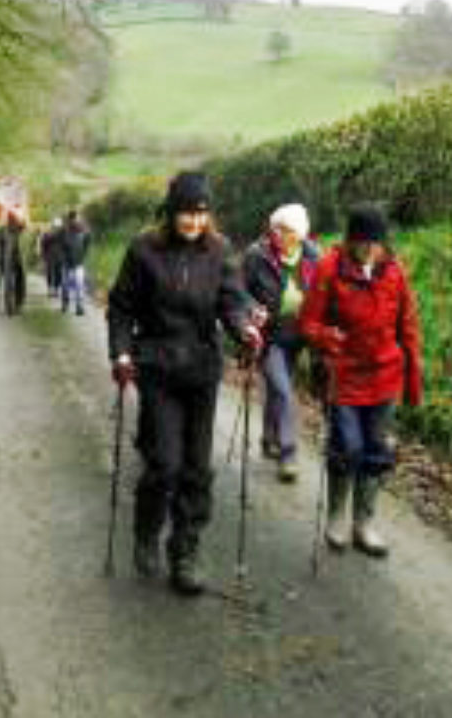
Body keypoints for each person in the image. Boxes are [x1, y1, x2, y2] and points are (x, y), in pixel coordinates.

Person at [106, 171, 264, 595]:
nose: (194, 221)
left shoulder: (219, 251)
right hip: (157, 369)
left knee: (196, 468)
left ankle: (185, 551)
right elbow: (121, 308)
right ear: (171, 211)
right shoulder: (144, 250)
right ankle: (147, 529)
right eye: (186, 212)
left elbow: (231, 302)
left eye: (201, 213)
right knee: (163, 463)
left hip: (201, 371)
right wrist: (121, 352)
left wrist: (244, 330)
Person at [298, 204, 423, 558]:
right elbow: (307, 322)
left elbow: (408, 328)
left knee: (376, 450)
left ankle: (363, 524)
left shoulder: (395, 273)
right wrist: (327, 338)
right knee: (347, 447)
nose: (370, 249)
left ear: (385, 243)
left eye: (376, 243)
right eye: (363, 242)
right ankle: (336, 517)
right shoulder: (329, 268)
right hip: (344, 376)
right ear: (350, 240)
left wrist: (412, 383)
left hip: (385, 376)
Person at [242, 203, 321, 483]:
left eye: (284, 229)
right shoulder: (257, 255)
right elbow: (238, 292)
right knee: (284, 391)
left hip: (300, 335)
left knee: (279, 389)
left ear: (299, 234)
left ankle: (268, 437)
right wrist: (252, 309)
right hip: (270, 335)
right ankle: (288, 454)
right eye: (274, 227)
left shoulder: (313, 256)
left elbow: (323, 293)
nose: (277, 233)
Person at [59, 209, 90, 315]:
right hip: (67, 262)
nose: (76, 220)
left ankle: (79, 306)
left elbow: (87, 243)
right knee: (66, 285)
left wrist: (83, 255)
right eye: (75, 218)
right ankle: (66, 303)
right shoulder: (64, 231)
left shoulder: (84, 230)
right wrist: (63, 257)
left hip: (78, 262)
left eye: (77, 218)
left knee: (79, 285)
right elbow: (60, 245)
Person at [2, 212, 27, 315]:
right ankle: (10, 306)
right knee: (9, 284)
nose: (11, 221)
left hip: (18, 260)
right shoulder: (3, 232)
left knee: (19, 283)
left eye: (13, 220)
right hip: (9, 260)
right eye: (11, 220)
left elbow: (24, 227)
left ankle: (18, 304)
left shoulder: (19, 230)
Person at [40, 218, 64, 298]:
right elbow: (43, 245)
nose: (56, 228)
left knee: (57, 273)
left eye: (58, 227)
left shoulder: (62, 235)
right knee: (50, 273)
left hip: (58, 257)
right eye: (55, 227)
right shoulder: (47, 235)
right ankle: (51, 289)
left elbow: (65, 244)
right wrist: (43, 255)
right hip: (50, 257)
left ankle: (55, 289)